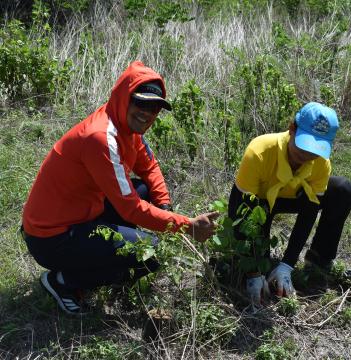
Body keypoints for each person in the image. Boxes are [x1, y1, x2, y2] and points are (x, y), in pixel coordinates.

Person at [21, 61, 219, 315]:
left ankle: (107, 267)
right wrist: (186, 225)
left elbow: (149, 167)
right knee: (149, 253)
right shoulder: (101, 138)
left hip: (79, 214)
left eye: (155, 107)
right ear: (124, 97)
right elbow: (130, 209)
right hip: (51, 238)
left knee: (144, 191)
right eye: (141, 103)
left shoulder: (127, 127)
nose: (147, 112)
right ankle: (63, 282)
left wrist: (165, 206)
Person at [228, 102, 351, 305]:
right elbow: (239, 209)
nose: (307, 156)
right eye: (304, 146)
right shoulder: (259, 151)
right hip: (259, 203)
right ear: (292, 128)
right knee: (256, 258)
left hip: (295, 198)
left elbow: (309, 212)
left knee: (342, 189)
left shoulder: (320, 163)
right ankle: (254, 265)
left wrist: (287, 264)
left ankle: (318, 259)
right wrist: (254, 272)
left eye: (316, 149)